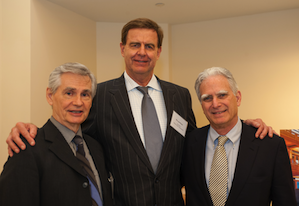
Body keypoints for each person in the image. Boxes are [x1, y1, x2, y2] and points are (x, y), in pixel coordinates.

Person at [6, 19, 273, 206]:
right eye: (134, 45)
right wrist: (31, 130)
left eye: (149, 46)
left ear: (158, 52)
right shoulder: (99, 95)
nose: (141, 52)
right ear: (123, 49)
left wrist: (241, 127)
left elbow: (196, 144)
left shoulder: (179, 95)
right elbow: (70, 135)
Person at [0, 63, 113, 206]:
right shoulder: (27, 149)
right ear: (50, 96)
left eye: (85, 94)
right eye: (69, 93)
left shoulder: (96, 148)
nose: (78, 102)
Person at [181, 67, 296, 206]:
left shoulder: (270, 146)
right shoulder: (188, 143)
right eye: (207, 98)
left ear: (238, 98)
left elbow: (285, 202)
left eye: (222, 95)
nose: (215, 104)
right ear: (202, 105)